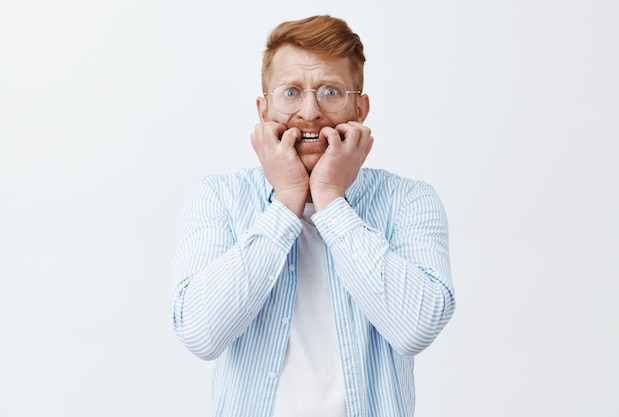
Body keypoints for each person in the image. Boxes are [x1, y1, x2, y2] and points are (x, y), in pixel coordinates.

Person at [171, 14, 455, 417]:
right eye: (290, 92)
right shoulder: (218, 198)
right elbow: (200, 335)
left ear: (361, 107)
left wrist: (331, 199)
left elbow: (416, 328)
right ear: (263, 109)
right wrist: (286, 201)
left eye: (330, 92)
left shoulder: (409, 200)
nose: (309, 112)